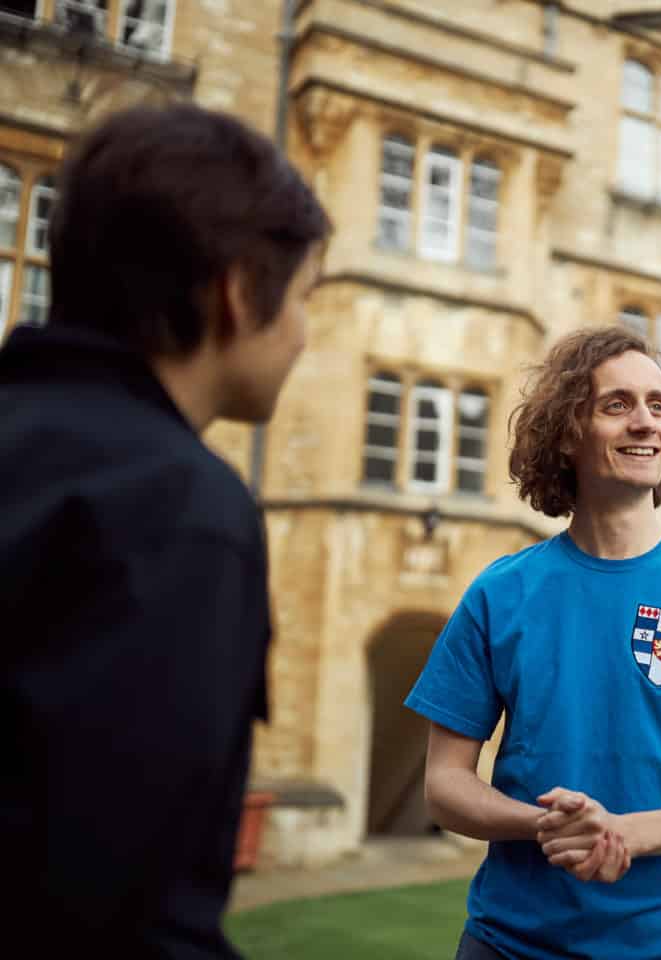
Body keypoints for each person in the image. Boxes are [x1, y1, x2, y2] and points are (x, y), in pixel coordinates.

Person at [0, 105, 329, 955]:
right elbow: (119, 906)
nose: (303, 333)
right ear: (234, 291)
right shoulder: (180, 509)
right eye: (301, 298)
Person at [405, 326, 661, 960]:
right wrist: (547, 826)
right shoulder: (502, 592)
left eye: (658, 406)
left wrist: (627, 834)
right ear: (568, 432)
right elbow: (445, 783)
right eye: (616, 405)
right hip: (506, 943)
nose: (646, 423)